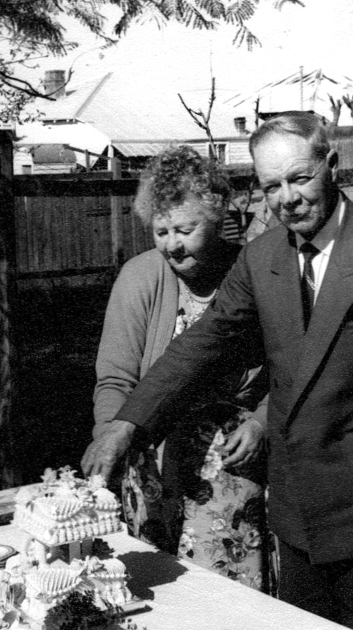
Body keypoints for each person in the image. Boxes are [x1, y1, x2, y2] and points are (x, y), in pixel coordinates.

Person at [85, 112, 353, 630]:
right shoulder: (263, 258)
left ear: (331, 165)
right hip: (297, 522)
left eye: (299, 178)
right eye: (271, 186)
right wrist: (125, 424)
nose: (288, 199)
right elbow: (201, 343)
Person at [82, 145, 273, 591]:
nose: (172, 244)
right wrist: (110, 438)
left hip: (230, 465)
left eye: (186, 230)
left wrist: (262, 422)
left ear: (216, 219)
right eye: (161, 231)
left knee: (228, 595)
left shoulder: (253, 274)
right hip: (151, 459)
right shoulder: (139, 277)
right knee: (157, 590)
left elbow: (287, 369)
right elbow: (116, 377)